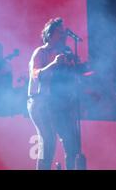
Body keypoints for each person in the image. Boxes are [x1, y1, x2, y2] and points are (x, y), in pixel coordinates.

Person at [27, 17, 83, 170]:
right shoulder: (41, 52)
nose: (64, 35)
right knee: (48, 142)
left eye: (64, 32)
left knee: (71, 141)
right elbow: (36, 75)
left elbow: (66, 79)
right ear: (50, 34)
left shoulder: (65, 53)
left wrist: (76, 67)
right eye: (60, 32)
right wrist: (53, 64)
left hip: (57, 103)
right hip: (39, 103)